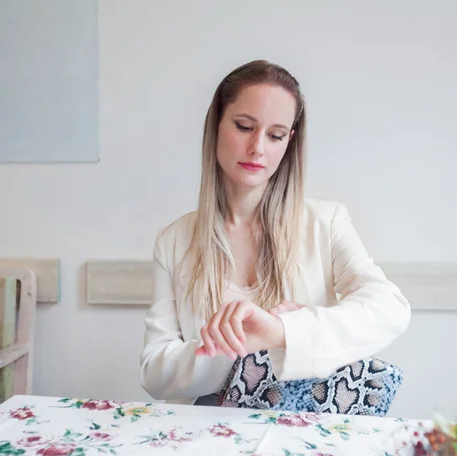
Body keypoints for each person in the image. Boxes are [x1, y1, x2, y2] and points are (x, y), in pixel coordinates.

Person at [138, 60, 411, 406]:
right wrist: (236, 345)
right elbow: (154, 373)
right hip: (209, 439)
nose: (258, 148)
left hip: (304, 439)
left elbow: (390, 309)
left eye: (276, 135)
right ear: (216, 124)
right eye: (244, 126)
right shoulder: (174, 241)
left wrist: (282, 333)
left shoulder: (325, 223)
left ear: (289, 142)